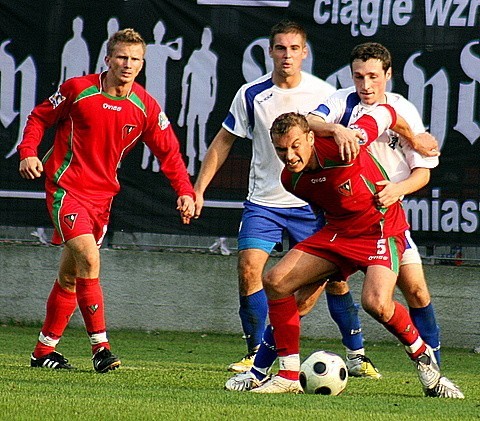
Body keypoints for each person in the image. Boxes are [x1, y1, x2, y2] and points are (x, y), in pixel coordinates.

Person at [194, 20, 378, 376]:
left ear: (305, 52)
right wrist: (199, 188)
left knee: (332, 282)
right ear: (270, 52)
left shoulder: (325, 94)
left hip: (313, 203)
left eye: (294, 48)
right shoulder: (251, 94)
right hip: (264, 200)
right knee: (250, 269)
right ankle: (254, 354)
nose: (287, 55)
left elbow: (352, 138)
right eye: (281, 48)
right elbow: (224, 140)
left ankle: (357, 355)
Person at [251, 108, 463, 398]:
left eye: (295, 146)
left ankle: (425, 359)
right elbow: (324, 206)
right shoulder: (292, 180)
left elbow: (386, 112)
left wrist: (411, 138)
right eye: (281, 149)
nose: (289, 156)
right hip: (338, 234)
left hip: (380, 229)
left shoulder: (346, 145)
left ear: (311, 138)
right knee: (276, 281)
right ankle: (287, 375)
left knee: (376, 303)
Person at [18, 28, 195, 372]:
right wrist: (28, 151)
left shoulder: (144, 105)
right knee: (89, 256)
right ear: (108, 58)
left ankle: (43, 352)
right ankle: (101, 348)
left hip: (102, 198)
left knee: (71, 277)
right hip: (65, 189)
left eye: (135, 59)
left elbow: (169, 151)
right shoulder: (77, 90)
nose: (128, 65)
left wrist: (185, 191)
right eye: (122, 57)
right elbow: (39, 116)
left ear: (142, 63)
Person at [307, 42, 443, 367]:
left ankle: (433, 363)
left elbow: (422, 172)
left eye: (373, 77)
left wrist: (398, 189)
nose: (365, 86)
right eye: (358, 77)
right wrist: (337, 129)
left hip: (386, 219)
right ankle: (353, 355)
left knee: (417, 291)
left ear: (388, 74)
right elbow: (308, 121)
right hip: (344, 217)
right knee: (323, 286)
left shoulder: (402, 110)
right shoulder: (341, 102)